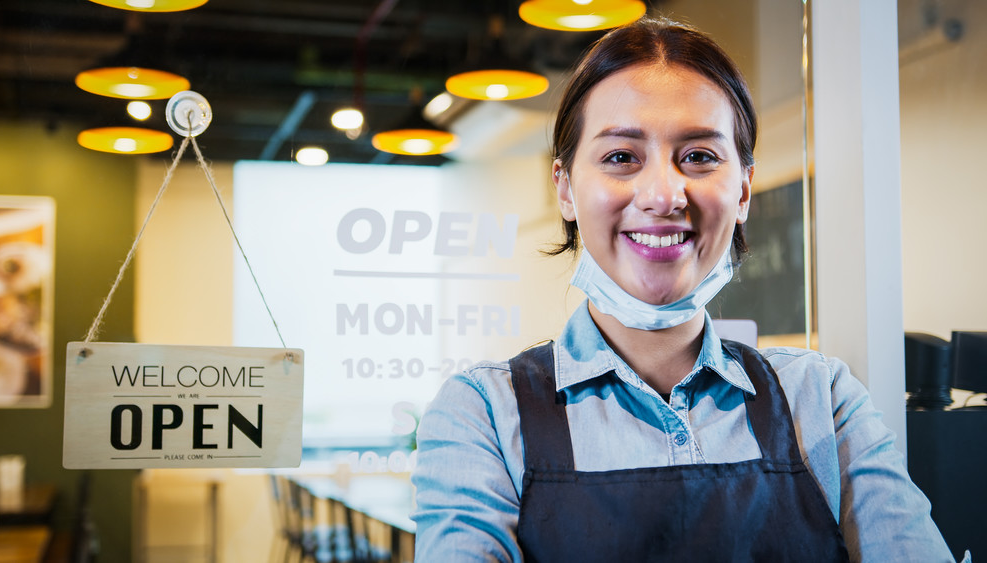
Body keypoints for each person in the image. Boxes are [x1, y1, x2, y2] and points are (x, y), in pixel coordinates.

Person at [411, 17, 960, 562]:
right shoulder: (484, 414)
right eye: (621, 157)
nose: (662, 194)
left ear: (743, 190)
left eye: (699, 156)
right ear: (566, 189)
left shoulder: (819, 399)